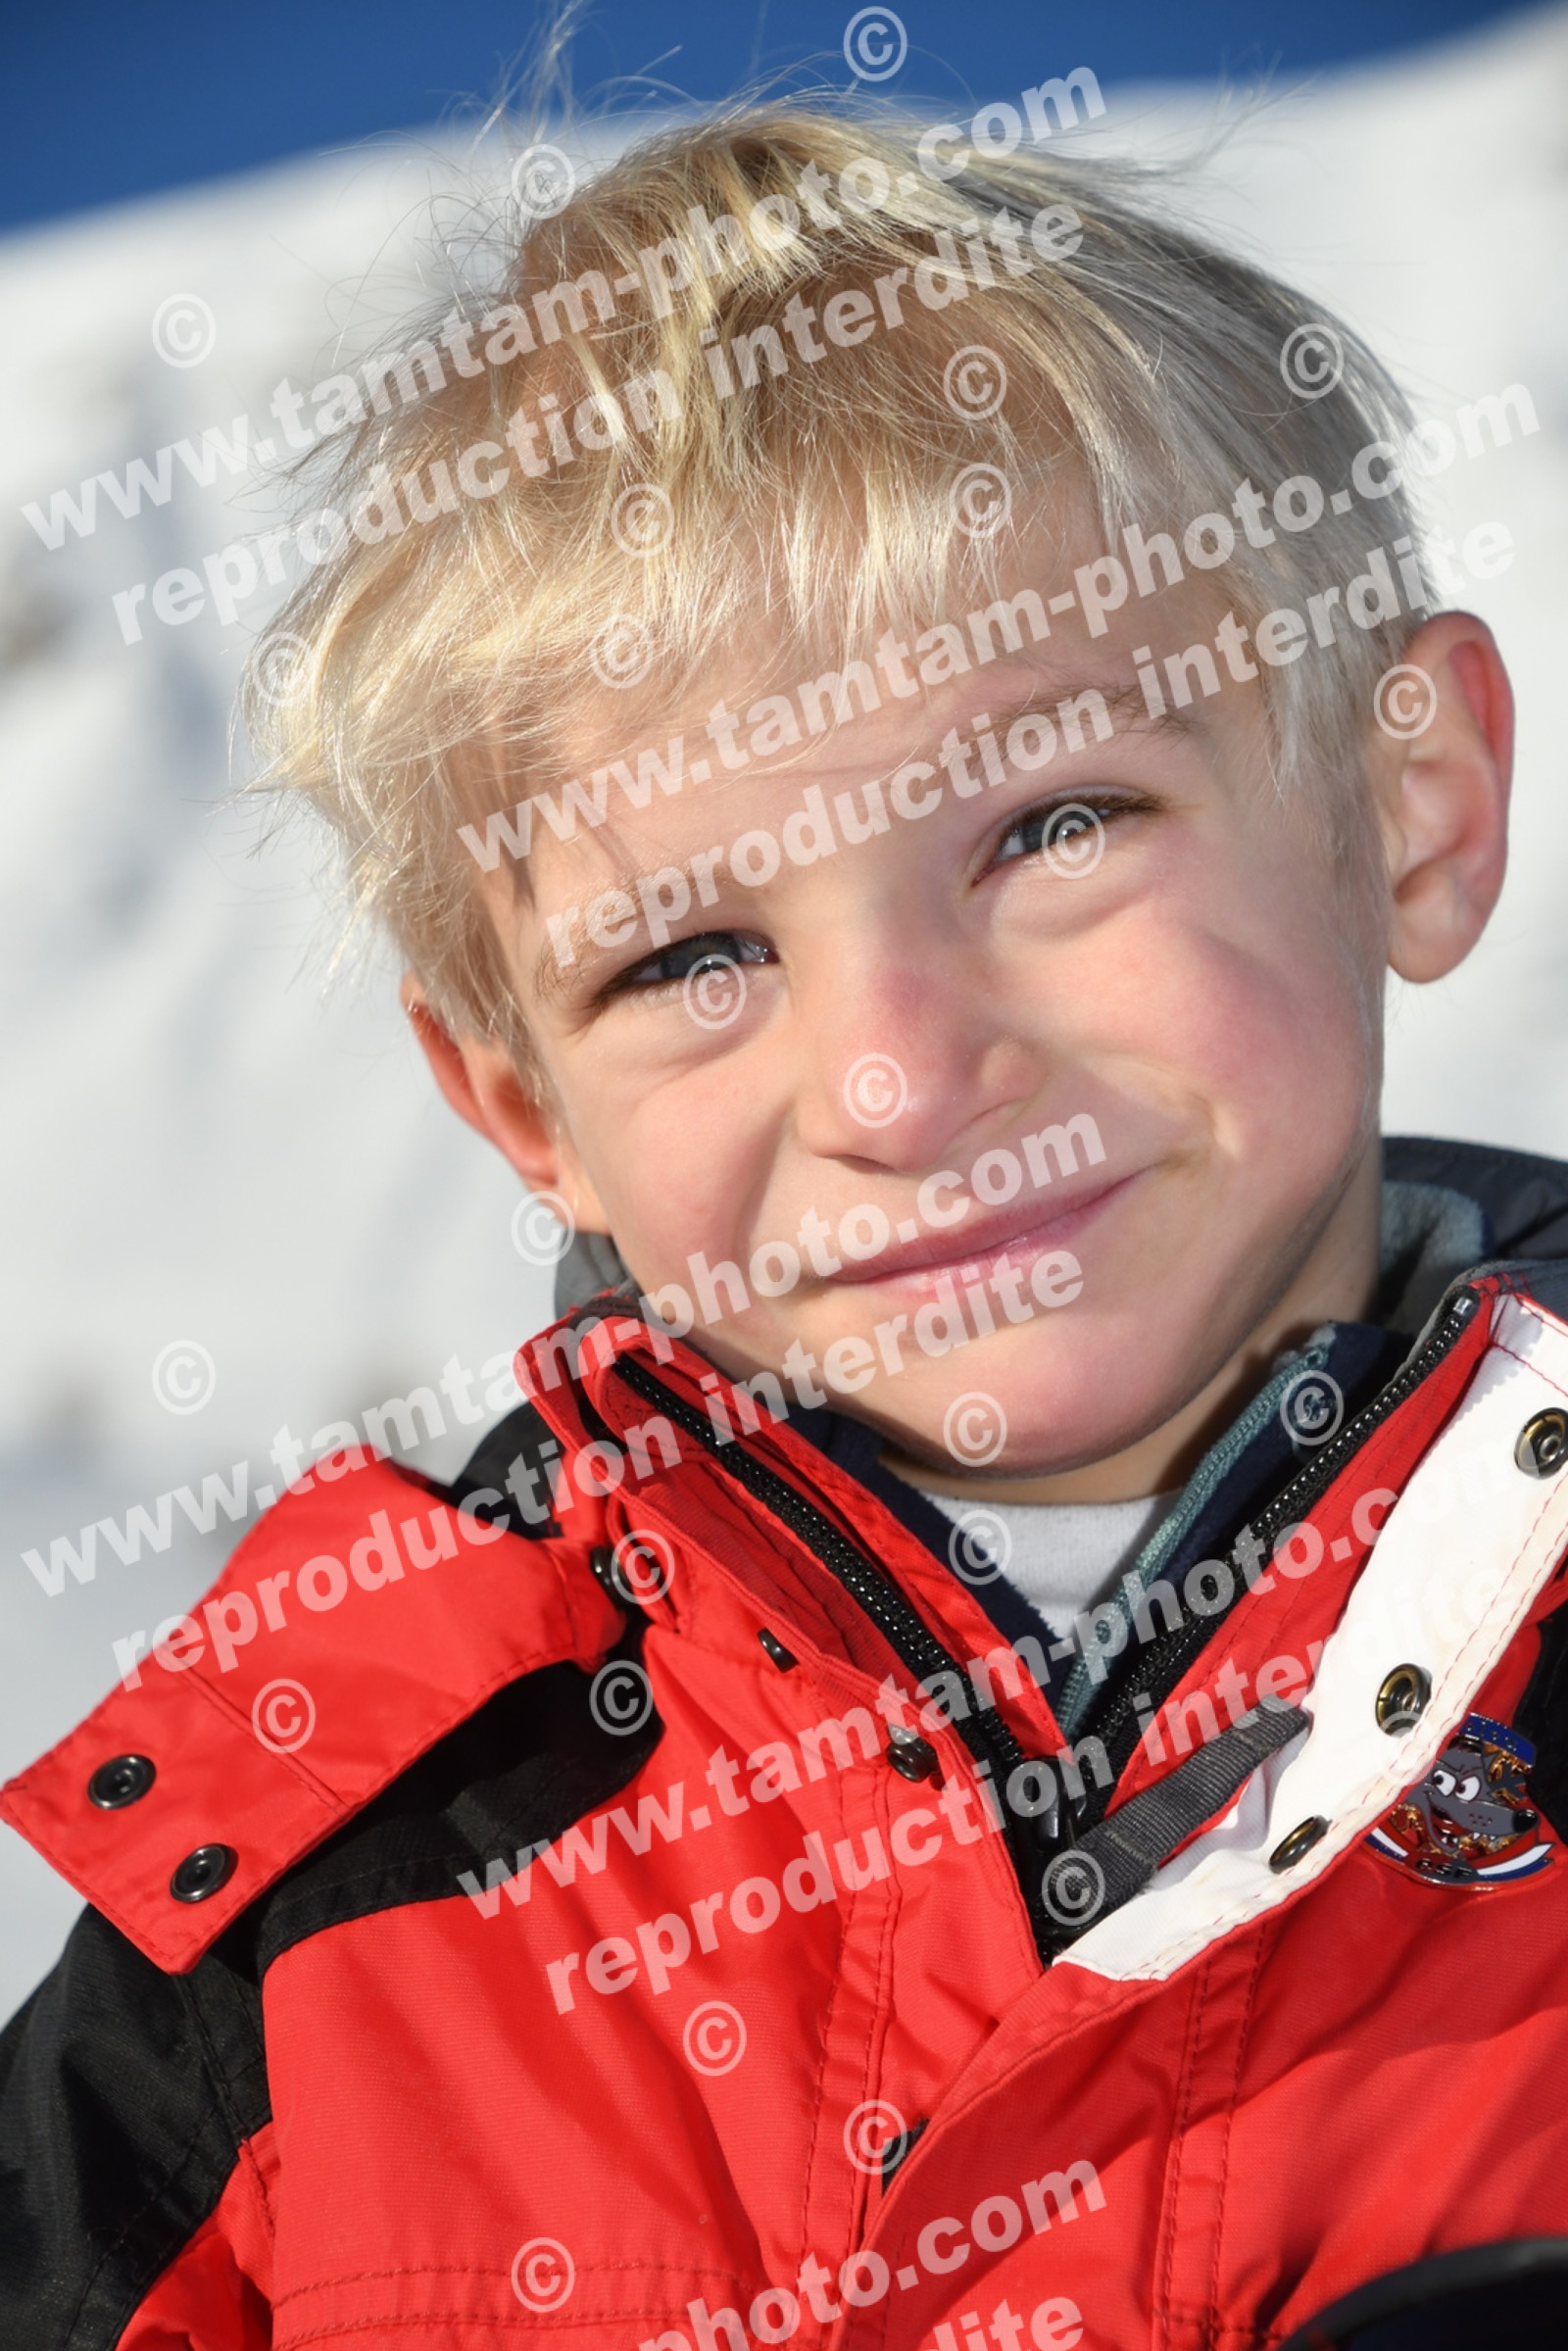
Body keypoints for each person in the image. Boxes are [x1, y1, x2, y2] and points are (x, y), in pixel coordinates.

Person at [4, 97, 1565, 2351]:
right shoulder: (324, 1896)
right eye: (690, 959)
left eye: (1052, 825)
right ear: (519, 1103)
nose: (894, 1083)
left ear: (1406, 805)